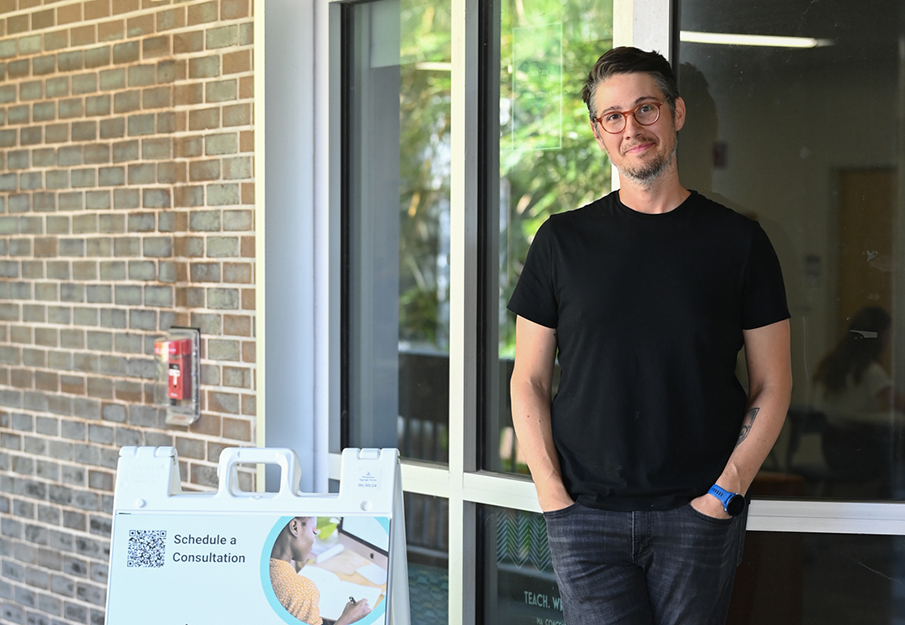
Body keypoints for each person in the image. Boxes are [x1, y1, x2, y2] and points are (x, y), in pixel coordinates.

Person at [508, 47, 792, 625]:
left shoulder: (740, 244)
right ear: (597, 131)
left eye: (646, 108)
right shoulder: (561, 243)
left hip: (699, 513)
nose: (631, 128)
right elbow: (529, 378)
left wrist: (724, 493)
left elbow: (773, 382)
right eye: (613, 115)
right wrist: (552, 497)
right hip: (584, 516)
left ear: (677, 113)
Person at [813, 306, 905, 488]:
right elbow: (900, 404)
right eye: (888, 332)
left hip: (832, 449)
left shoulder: (833, 364)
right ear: (881, 336)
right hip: (859, 451)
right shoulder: (870, 371)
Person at [269, 517, 372, 625]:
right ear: (295, 527)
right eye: (314, 531)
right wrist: (347, 619)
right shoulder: (302, 591)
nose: (314, 539)